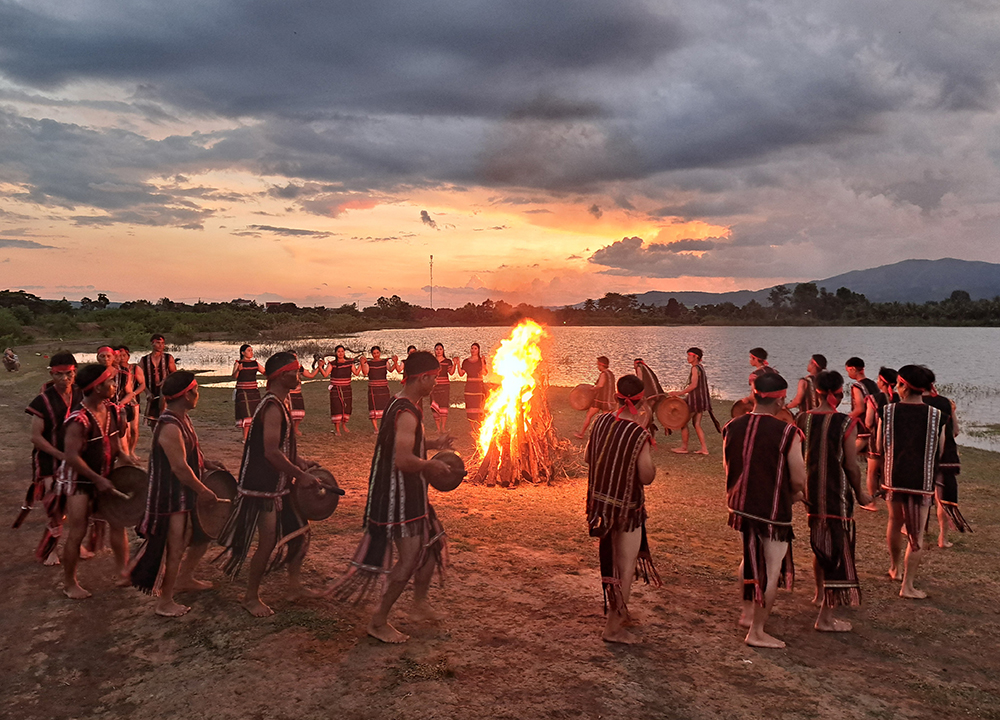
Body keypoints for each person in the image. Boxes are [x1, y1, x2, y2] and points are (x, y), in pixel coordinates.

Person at [328, 351, 454, 643]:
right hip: (399, 495)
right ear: (422, 378)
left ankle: (418, 605)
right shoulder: (406, 412)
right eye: (434, 377)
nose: (436, 381)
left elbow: (408, 443)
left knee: (433, 541)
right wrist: (431, 465)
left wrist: (434, 443)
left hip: (410, 492)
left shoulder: (402, 404)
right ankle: (378, 620)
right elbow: (402, 460)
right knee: (409, 559)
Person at [218, 352, 322, 617]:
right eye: (295, 370)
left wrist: (303, 461)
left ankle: (294, 587)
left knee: (299, 532)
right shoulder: (272, 407)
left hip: (279, 482)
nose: (298, 375)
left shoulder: (281, 403)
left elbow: (283, 448)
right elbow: (271, 452)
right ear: (283, 374)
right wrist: (300, 474)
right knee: (267, 542)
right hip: (263, 486)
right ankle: (250, 597)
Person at [130, 372, 227, 616]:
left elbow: (191, 453)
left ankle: (184, 579)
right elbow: (180, 468)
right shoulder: (170, 426)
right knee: (175, 546)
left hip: (183, 492)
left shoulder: (182, 418)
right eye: (196, 390)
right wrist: (203, 490)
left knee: (200, 534)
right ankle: (165, 602)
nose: (198, 395)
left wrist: (208, 462)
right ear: (187, 395)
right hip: (170, 496)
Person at [723, 372, 806, 648]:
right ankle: (757, 632)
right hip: (771, 510)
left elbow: (729, 466)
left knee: (749, 557)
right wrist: (795, 495)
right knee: (771, 567)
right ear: (782, 400)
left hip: (741, 505)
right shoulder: (788, 432)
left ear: (754, 395)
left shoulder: (732, 426)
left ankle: (748, 614)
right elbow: (797, 479)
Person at [585, 374, 660, 644]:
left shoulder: (600, 421)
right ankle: (613, 628)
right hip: (626, 511)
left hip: (600, 506)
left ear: (616, 396)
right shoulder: (639, 434)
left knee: (613, 561)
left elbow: (586, 457)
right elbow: (647, 476)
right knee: (625, 566)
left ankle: (619, 614)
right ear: (640, 402)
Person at [796, 371, 872, 633]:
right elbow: (851, 466)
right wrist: (861, 493)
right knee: (837, 551)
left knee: (820, 543)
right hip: (836, 495)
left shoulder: (802, 418)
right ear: (835, 393)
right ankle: (826, 617)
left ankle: (819, 593)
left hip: (811, 493)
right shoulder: (844, 422)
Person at [58, 364, 134, 599]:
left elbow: (114, 442)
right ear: (96, 387)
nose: (114, 385)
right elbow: (71, 457)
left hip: (106, 476)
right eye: (110, 382)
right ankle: (70, 583)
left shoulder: (111, 409)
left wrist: (124, 456)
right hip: (81, 480)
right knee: (77, 530)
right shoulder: (77, 420)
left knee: (118, 523)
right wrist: (96, 478)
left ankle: (123, 572)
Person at [867, 365, 943, 599]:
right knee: (916, 533)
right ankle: (908, 586)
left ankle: (894, 567)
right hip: (921, 480)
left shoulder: (887, 412)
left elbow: (879, 446)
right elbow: (938, 451)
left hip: (894, 477)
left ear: (903, 386)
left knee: (894, 520)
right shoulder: (935, 415)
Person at [19, 353, 82, 565]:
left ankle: (76, 543)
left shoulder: (82, 394)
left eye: (69, 374)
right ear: (51, 375)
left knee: (78, 505)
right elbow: (36, 437)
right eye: (59, 374)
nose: (64, 379)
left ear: (75, 372)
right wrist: (62, 456)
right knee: (56, 506)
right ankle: (51, 550)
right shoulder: (43, 400)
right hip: (49, 459)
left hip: (76, 458)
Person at [922, 369, 972, 546]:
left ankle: (911, 528)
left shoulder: (912, 403)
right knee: (943, 497)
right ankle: (943, 537)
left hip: (920, 456)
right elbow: (955, 431)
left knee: (920, 493)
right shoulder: (944, 402)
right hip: (946, 456)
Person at [668, 348, 721, 454]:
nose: (687, 358)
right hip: (701, 400)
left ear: (696, 357)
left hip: (695, 400)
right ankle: (704, 449)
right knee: (696, 424)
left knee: (683, 422)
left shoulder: (695, 369)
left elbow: (694, 385)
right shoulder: (701, 367)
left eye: (689, 355)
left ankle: (684, 448)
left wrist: (679, 393)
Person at [139, 334, 176, 428]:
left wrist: (166, 382)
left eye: (163, 343)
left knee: (165, 415)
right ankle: (156, 438)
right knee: (153, 420)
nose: (161, 346)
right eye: (158, 343)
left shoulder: (168, 358)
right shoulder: (144, 360)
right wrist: (147, 392)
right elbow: (140, 378)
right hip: (152, 391)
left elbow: (174, 375)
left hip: (165, 391)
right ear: (152, 344)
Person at [114, 346, 145, 456]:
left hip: (131, 402)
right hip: (117, 403)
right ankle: (125, 454)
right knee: (124, 431)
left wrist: (133, 394)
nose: (122, 358)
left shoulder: (134, 369)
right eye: (119, 356)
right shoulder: (111, 370)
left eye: (124, 355)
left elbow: (142, 384)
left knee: (134, 429)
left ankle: (131, 452)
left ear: (128, 356)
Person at [574, 356, 615, 439]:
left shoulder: (604, 374)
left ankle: (581, 434)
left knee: (589, 415)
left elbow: (600, 385)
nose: (597, 367)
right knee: (606, 419)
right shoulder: (611, 374)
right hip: (609, 400)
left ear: (601, 364)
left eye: (598, 365)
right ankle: (608, 436)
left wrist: (592, 389)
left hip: (601, 399)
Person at [232, 344, 265, 441]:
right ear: (243, 353)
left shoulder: (255, 363)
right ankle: (245, 437)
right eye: (249, 350)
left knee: (255, 412)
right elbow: (234, 376)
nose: (251, 352)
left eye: (251, 350)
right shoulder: (238, 363)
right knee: (246, 412)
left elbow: (264, 371)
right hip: (242, 391)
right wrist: (238, 370)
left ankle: (253, 435)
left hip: (254, 391)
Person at [846, 357, 879, 450]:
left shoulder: (857, 386)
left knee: (855, 449)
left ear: (853, 369)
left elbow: (860, 408)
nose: (848, 374)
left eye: (848, 371)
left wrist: (847, 418)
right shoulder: (873, 383)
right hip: (875, 421)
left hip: (863, 422)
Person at [324, 345, 358, 435]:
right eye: (338, 351)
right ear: (336, 353)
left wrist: (362, 364)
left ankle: (344, 424)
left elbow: (356, 373)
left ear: (344, 352)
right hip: (336, 388)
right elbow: (325, 374)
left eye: (342, 351)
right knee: (337, 407)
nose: (340, 353)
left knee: (347, 406)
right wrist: (320, 367)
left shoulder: (349, 362)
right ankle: (337, 429)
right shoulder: (332, 364)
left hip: (347, 388)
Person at [361, 346, 393, 433]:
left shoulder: (384, 362)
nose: (376, 355)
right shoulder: (369, 363)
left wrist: (395, 362)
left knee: (385, 407)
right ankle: (375, 428)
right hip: (373, 388)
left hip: (383, 388)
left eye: (377, 353)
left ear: (380, 353)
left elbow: (390, 370)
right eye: (374, 353)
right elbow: (365, 373)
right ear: (372, 354)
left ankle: (384, 427)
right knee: (374, 407)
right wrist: (362, 363)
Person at [288, 352, 320, 436]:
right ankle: (288, 430)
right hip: (288, 394)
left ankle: (295, 429)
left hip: (298, 393)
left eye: (295, 357)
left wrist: (319, 367)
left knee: (300, 412)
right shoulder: (285, 368)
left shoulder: (299, 368)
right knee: (289, 413)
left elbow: (310, 375)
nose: (294, 359)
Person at [458, 343, 488, 430]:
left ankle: (479, 427)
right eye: (472, 348)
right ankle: (472, 428)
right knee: (470, 406)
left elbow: (484, 373)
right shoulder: (466, 362)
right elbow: (461, 374)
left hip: (479, 387)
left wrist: (482, 361)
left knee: (479, 406)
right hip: (469, 387)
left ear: (478, 350)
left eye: (475, 348)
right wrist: (458, 364)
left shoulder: (481, 361)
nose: (473, 350)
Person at [430, 343, 456, 433]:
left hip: (445, 386)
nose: (439, 351)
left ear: (443, 350)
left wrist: (455, 364)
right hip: (434, 387)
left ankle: (443, 427)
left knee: (444, 406)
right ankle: (438, 428)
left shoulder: (447, 361)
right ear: (434, 351)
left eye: (440, 349)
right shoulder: (432, 362)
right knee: (434, 406)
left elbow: (451, 373)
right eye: (437, 349)